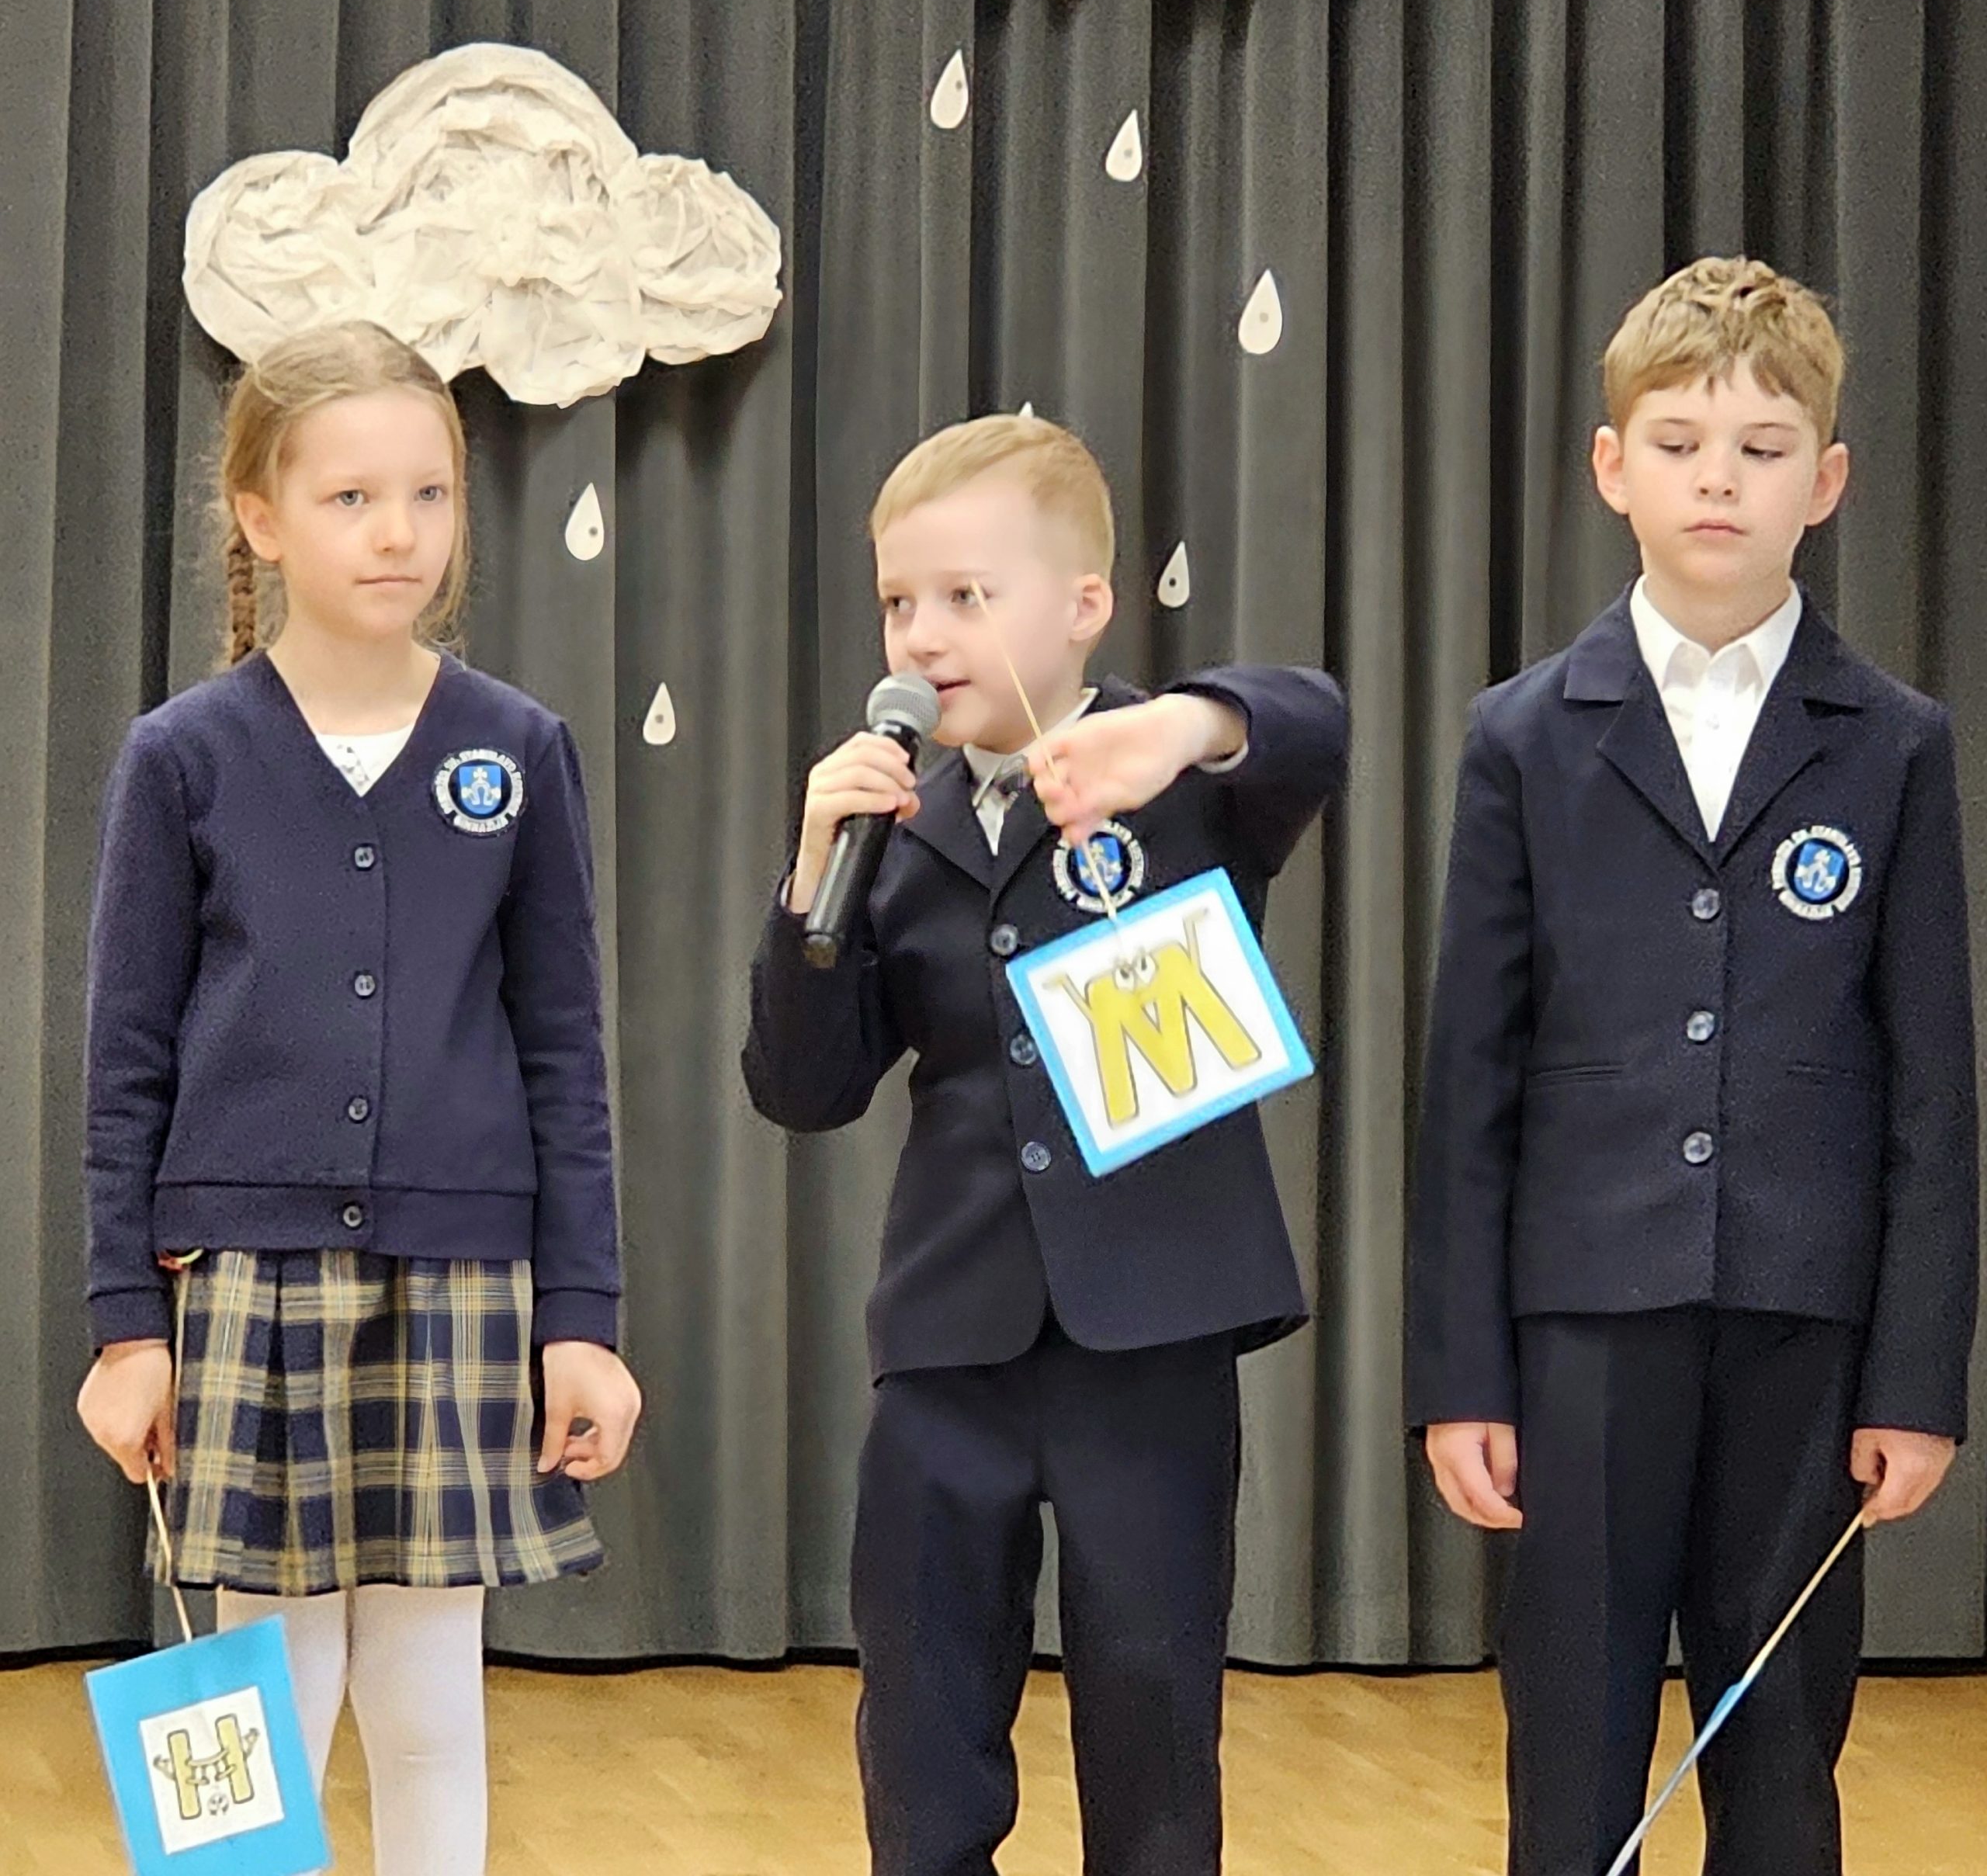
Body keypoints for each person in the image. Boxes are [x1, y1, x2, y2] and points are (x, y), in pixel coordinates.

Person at [1408, 256, 1979, 1876]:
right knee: (1571, 1731)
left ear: (1825, 481)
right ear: (1612, 468)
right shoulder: (1523, 735)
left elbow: (1933, 1090)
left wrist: (1914, 1380)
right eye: (1676, 443)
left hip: (1806, 1324)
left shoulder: (1894, 743)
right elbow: (1467, 1086)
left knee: (1781, 1739)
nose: (1716, 477)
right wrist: (1461, 1371)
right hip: (1584, 1318)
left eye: (1759, 446)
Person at [75, 321, 643, 1876]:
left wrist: (582, 1316)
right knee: (257, 1698)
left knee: (428, 1695)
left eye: (428, 493)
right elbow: (126, 1060)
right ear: (260, 516)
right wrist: (127, 1326)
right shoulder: (181, 758)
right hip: (246, 1283)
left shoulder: (517, 749)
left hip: (459, 1279)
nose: (398, 531)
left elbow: (564, 1053)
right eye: (350, 498)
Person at [743, 414, 1346, 1874]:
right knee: (925, 1712)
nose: (924, 634)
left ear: (1084, 605)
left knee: (1151, 1708)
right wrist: (810, 877)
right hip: (951, 1332)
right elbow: (805, 1088)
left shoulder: (1183, 778)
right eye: (900, 601)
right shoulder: (900, 827)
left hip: (1151, 1329)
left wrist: (1180, 727)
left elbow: (1312, 716)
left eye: (967, 595)